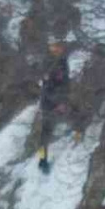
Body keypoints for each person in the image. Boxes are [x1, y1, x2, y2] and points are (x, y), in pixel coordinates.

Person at [37, 42, 71, 173]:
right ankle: (42, 160)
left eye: (59, 47)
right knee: (45, 134)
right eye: (54, 47)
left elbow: (66, 82)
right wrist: (58, 103)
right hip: (50, 104)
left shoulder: (63, 61)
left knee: (75, 117)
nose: (57, 49)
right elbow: (46, 88)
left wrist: (64, 99)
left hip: (61, 100)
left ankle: (77, 138)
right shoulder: (48, 63)